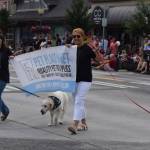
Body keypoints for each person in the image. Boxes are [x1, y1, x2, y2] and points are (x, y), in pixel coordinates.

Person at [67, 28, 96, 135]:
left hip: (86, 79)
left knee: (79, 100)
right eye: (74, 36)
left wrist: (96, 50)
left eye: (78, 36)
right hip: (74, 79)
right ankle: (84, 123)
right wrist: (65, 49)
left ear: (82, 37)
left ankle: (75, 124)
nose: (75, 38)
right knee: (78, 101)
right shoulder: (71, 48)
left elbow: (97, 59)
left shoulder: (87, 48)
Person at [0, 35, 13, 121]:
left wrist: (12, 58)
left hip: (3, 77)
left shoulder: (6, 50)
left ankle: (5, 111)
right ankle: (5, 111)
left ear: (2, 41)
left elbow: (14, 58)